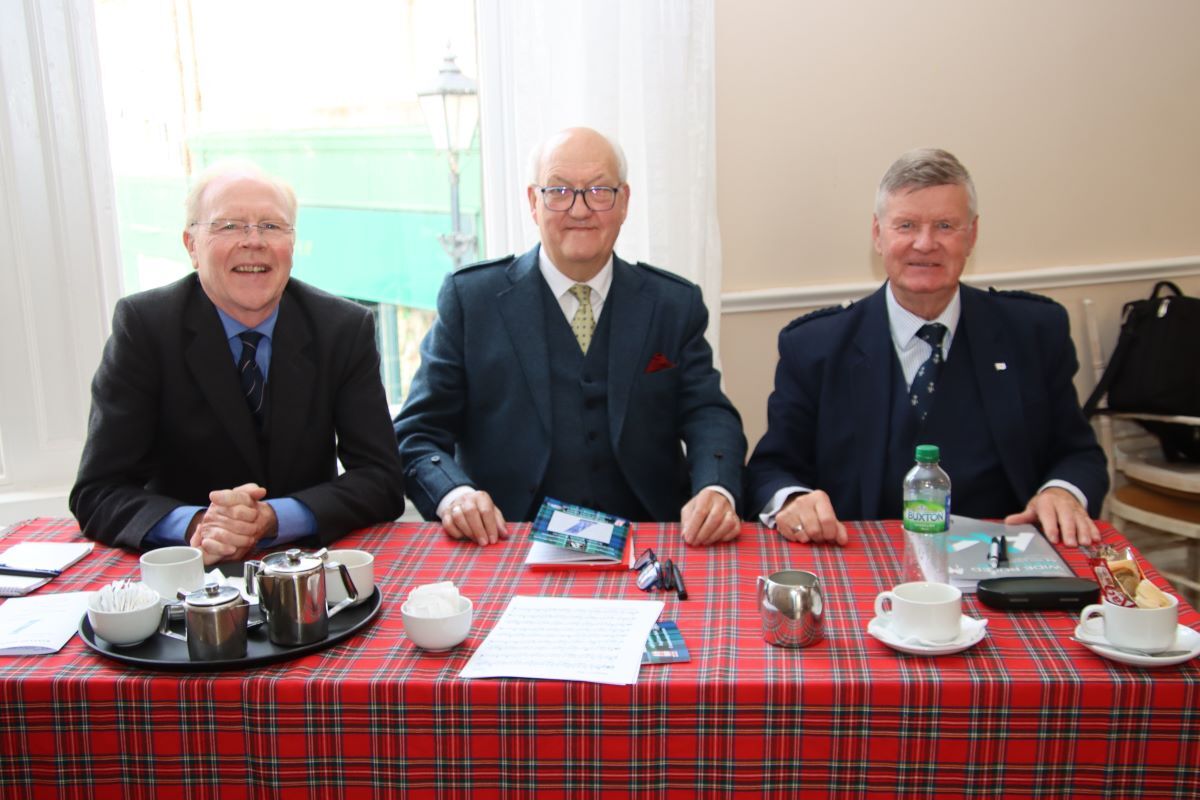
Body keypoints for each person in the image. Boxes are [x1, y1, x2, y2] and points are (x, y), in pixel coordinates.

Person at [395, 127, 746, 546]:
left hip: (651, 539)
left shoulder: (674, 304)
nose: (579, 210)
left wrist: (716, 488)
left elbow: (710, 414)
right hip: (508, 540)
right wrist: (456, 494)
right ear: (533, 202)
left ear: (624, 202)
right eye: (559, 191)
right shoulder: (472, 301)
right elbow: (417, 433)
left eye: (599, 190)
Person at [745, 148, 1108, 548]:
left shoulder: (1034, 332)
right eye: (906, 225)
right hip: (859, 558)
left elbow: (1079, 455)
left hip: (1003, 561)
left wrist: (1062, 491)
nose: (925, 243)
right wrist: (793, 500)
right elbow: (771, 469)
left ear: (971, 235)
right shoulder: (814, 347)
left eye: (945, 225)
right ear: (878, 235)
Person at [70, 161, 406, 565]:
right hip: (188, 576)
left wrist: (272, 518)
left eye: (271, 226)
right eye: (229, 226)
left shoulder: (342, 328)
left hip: (307, 573)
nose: (253, 241)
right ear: (191, 245)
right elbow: (98, 491)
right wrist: (197, 525)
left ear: (292, 244)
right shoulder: (145, 327)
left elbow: (382, 481)